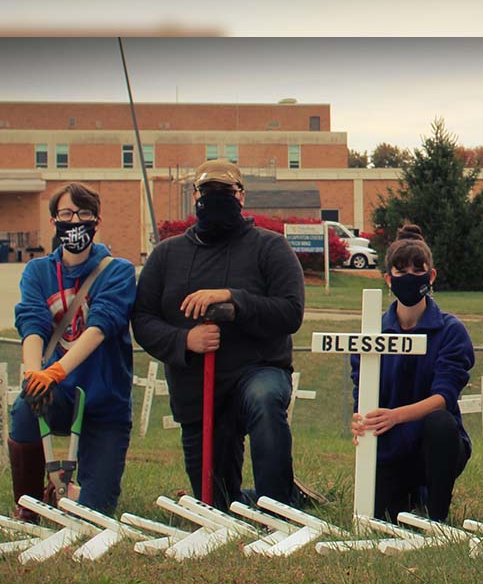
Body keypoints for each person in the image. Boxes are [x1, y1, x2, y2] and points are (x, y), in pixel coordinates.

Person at [132, 159, 305, 510]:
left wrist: (232, 298)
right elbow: (143, 320)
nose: (216, 199)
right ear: (195, 196)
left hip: (257, 371)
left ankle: (278, 505)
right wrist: (185, 341)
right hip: (199, 392)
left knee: (265, 399)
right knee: (216, 502)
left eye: (226, 191)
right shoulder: (167, 255)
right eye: (208, 192)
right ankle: (246, 499)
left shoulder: (270, 248)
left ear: (241, 196)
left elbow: (290, 312)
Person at [9, 182, 136, 519]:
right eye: (66, 214)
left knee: (96, 513)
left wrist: (57, 370)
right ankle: (29, 505)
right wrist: (36, 373)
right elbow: (32, 324)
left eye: (83, 214)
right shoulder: (38, 272)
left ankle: (77, 495)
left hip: (105, 402)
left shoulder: (118, 271)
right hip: (60, 394)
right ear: (54, 221)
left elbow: (101, 326)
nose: (74, 221)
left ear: (97, 220)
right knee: (24, 407)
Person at [348, 225, 475, 522]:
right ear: (388, 280)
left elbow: (444, 397)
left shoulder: (451, 330)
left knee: (440, 423)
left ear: (431, 276)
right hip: (389, 446)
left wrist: (395, 416)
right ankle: (409, 495)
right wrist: (360, 420)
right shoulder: (371, 333)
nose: (410, 276)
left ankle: (437, 516)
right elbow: (362, 393)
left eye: (418, 269)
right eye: (401, 270)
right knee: (381, 514)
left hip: (436, 445)